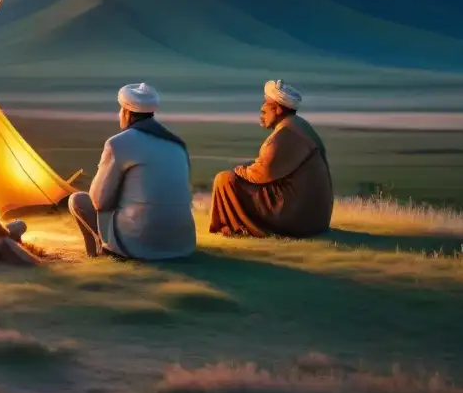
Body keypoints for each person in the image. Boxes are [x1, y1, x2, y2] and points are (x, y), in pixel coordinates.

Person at [68, 83, 196, 260]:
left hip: (138, 245)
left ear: (126, 112)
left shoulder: (118, 143)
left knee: (77, 200)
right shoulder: (177, 144)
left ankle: (97, 254)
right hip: (182, 243)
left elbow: (98, 201)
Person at [209, 79, 333, 238]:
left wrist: (239, 170)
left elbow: (261, 173)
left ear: (279, 109)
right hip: (313, 217)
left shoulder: (286, 134)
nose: (262, 108)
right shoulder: (298, 125)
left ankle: (234, 228)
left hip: (299, 217)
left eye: (266, 104)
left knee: (225, 180)